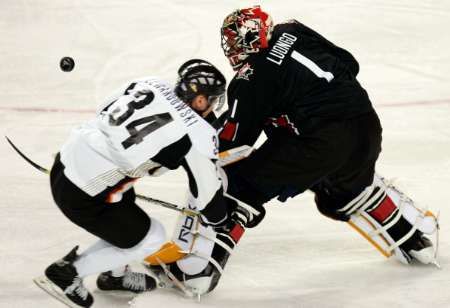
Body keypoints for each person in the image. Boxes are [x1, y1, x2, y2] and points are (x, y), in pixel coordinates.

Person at [215, 6, 438, 265]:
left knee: (239, 185)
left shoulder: (250, 77)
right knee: (348, 189)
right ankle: (413, 239)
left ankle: (202, 266)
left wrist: (197, 149)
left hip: (320, 142)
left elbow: (235, 142)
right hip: (366, 126)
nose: (230, 48)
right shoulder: (293, 29)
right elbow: (349, 62)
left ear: (251, 38)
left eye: (233, 41)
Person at [36, 59, 235, 307]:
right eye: (213, 100)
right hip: (84, 192)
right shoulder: (197, 135)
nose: (214, 106)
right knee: (150, 236)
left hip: (67, 157)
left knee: (123, 203)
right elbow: (207, 193)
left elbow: (104, 110)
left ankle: (114, 275)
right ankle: (67, 273)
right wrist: (220, 221)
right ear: (200, 100)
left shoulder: (151, 83)